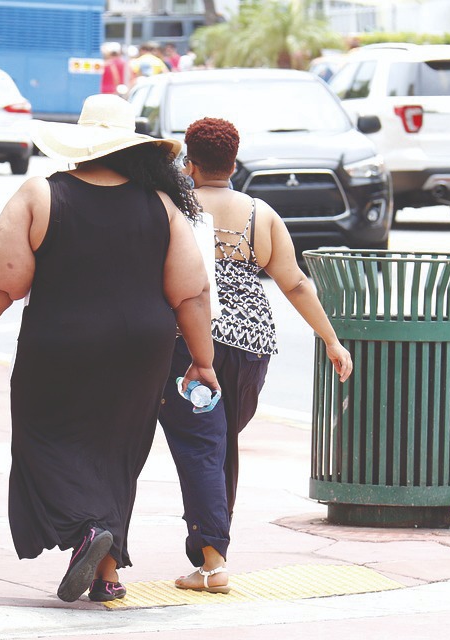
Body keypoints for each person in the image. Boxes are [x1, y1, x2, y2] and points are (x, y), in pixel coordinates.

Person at [0, 94, 219, 603]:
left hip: (60, 342)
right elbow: (192, 292)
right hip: (142, 349)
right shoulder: (161, 205)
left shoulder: (42, 196)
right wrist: (202, 362)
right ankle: (107, 571)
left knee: (43, 437)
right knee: (118, 449)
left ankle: (87, 532)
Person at [158, 117, 353, 593]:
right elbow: (295, 282)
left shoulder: (172, 207)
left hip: (189, 342)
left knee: (202, 445)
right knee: (221, 441)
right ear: (235, 161)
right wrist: (331, 339)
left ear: (191, 162)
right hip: (249, 347)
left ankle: (212, 559)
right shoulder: (259, 214)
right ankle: (211, 554)